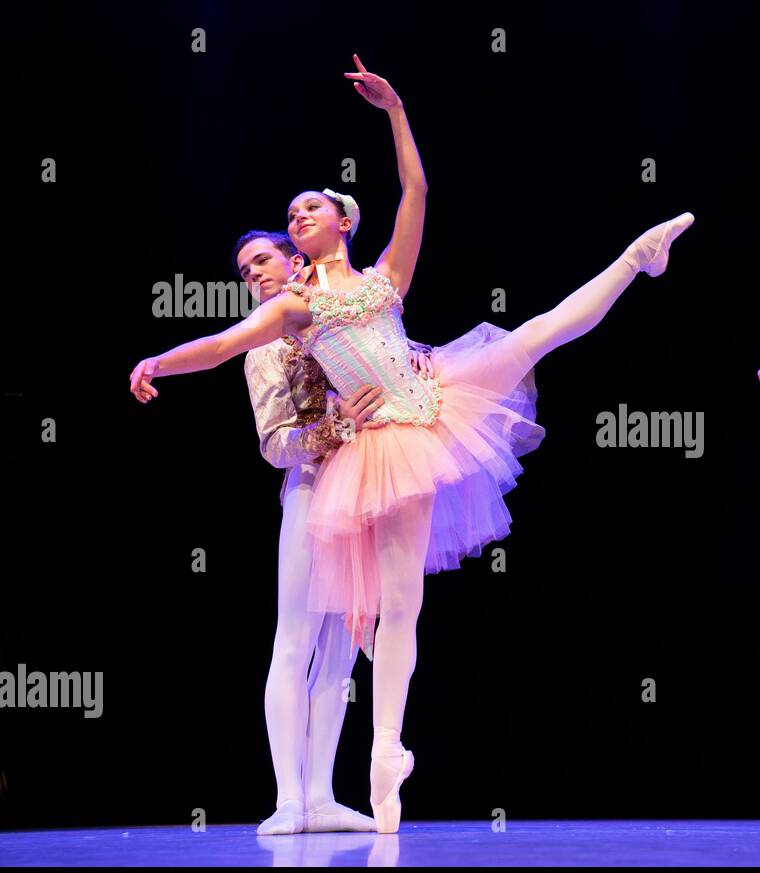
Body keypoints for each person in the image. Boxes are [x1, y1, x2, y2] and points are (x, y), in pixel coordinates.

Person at [130, 56, 695, 832]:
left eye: (308, 210)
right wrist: (158, 360)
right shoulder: (292, 309)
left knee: (534, 335)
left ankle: (638, 256)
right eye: (288, 214)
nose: (297, 218)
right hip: (376, 449)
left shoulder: (386, 277)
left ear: (340, 221)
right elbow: (226, 344)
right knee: (398, 608)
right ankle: (383, 752)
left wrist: (395, 111)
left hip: (436, 404)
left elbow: (418, 192)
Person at [237, 228, 436, 835]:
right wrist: (336, 428)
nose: (255, 275)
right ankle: (289, 797)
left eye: (263, 260)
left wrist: (420, 364)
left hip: (367, 491)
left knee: (343, 650)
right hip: (310, 489)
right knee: (293, 638)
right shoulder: (267, 348)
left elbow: (387, 352)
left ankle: (322, 793)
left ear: (294, 261)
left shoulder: (333, 315)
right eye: (245, 271)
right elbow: (275, 446)